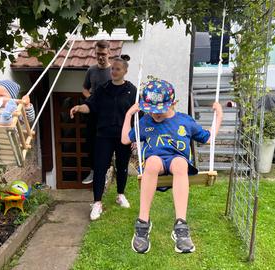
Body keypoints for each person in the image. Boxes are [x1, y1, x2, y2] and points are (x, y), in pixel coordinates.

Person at [121, 78, 223, 254]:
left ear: (173, 103)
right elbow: (125, 139)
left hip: (177, 162)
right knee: (152, 162)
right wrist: (128, 115)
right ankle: (143, 223)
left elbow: (208, 138)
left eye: (160, 110)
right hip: (156, 163)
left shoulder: (185, 121)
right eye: (151, 110)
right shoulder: (146, 122)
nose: (156, 114)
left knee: (180, 163)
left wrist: (219, 115)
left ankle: (181, 227)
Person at [70, 56, 136, 221]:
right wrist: (79, 107)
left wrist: (135, 136)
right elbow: (90, 106)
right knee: (100, 168)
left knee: (122, 166)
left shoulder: (132, 91)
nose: (114, 71)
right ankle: (97, 202)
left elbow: (137, 114)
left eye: (118, 69)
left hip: (123, 136)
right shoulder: (102, 89)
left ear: (125, 71)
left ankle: (120, 194)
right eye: (112, 68)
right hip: (103, 135)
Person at [81, 40, 112, 184]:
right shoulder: (91, 70)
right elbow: (85, 89)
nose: (100, 57)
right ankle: (93, 171)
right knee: (90, 142)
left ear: (109, 53)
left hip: (109, 114)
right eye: (98, 54)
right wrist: (92, 99)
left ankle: (106, 171)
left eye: (103, 54)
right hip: (93, 111)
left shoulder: (114, 71)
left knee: (106, 143)